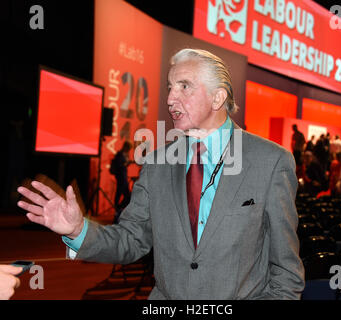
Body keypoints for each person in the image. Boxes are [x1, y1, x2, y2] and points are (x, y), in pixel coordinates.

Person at [17, 49, 304, 300]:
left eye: (184, 86)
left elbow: (286, 271)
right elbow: (131, 239)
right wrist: (78, 231)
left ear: (218, 97)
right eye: (170, 87)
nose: (170, 98)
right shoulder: (157, 163)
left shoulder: (271, 161)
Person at [111, 141, 132, 221]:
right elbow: (119, 166)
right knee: (121, 194)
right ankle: (117, 210)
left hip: (123, 177)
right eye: (128, 148)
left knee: (126, 196)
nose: (129, 150)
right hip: (121, 178)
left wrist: (127, 163)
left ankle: (118, 209)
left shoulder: (123, 154)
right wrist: (126, 163)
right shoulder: (119, 154)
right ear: (125, 147)